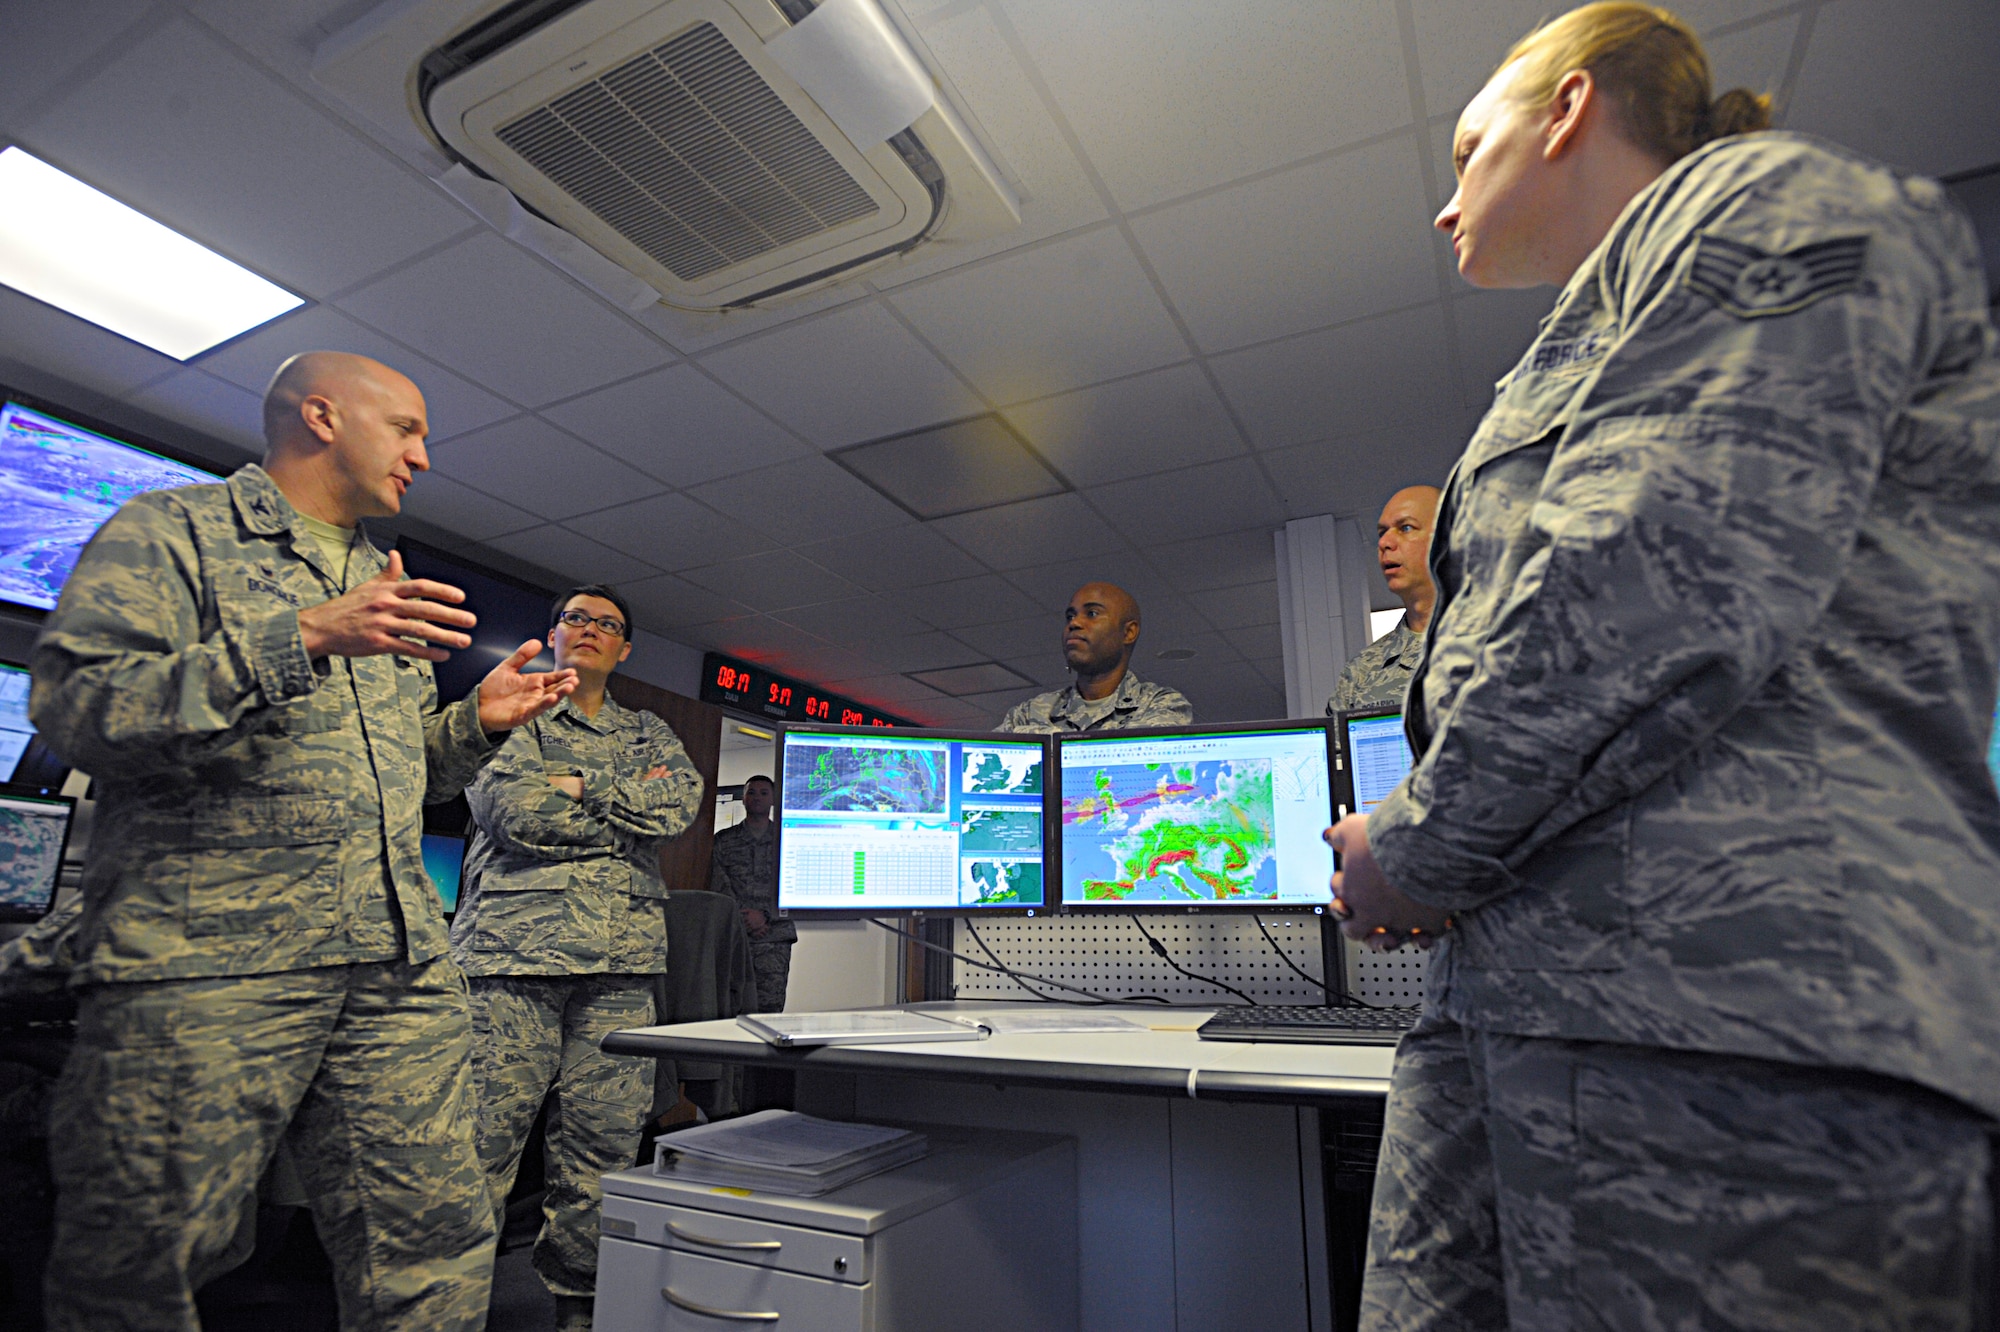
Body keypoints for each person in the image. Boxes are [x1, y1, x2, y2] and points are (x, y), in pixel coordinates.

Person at [1325, 5, 2000, 1324]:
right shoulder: (1583, 337)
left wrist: (1416, 845)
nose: (1442, 203)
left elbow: (1643, 584)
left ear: (1567, 110)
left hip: (1726, 1021)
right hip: (1530, 1010)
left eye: (1469, 148)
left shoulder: (1763, 201)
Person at [29, 351, 579, 1331]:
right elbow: (81, 710)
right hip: (212, 961)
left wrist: (479, 724)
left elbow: (403, 777)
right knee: (144, 1255)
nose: (423, 452)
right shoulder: (174, 533)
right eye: (407, 427)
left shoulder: (383, 579)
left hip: (392, 964)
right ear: (322, 415)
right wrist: (302, 637)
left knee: (437, 1237)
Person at [452, 583, 704, 1331]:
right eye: (576, 618)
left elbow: (679, 805)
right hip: (511, 962)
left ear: (624, 649)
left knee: (602, 1157)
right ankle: (443, 1308)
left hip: (619, 970)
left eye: (608, 624)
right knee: (478, 1148)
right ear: (553, 633)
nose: (590, 629)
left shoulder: (651, 731)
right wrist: (622, 815)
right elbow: (512, 812)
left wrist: (580, 785)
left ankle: (578, 1312)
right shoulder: (506, 710)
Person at [996, 582, 1193, 733]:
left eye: (1091, 613)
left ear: (1128, 632)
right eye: (1070, 616)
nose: (1074, 623)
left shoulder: (1162, 704)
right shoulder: (1028, 713)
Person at [1325, 484, 1441, 714]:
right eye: (1381, 533)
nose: (1384, 543)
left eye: (1405, 528)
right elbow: (1338, 750)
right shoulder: (1362, 672)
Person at [708, 774, 791, 1013]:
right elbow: (718, 883)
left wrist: (765, 916)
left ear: (773, 799)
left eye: (764, 793)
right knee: (731, 1005)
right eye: (751, 792)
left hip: (774, 937)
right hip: (735, 935)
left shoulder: (785, 840)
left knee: (769, 1008)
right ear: (743, 799)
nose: (757, 798)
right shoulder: (724, 841)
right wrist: (742, 917)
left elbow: (790, 885)